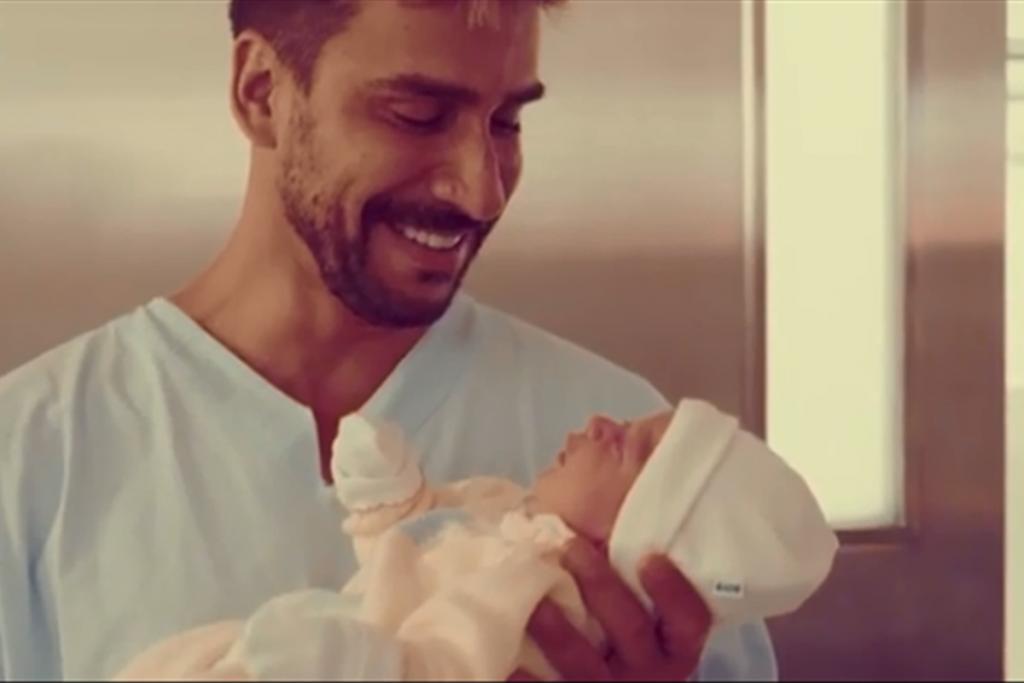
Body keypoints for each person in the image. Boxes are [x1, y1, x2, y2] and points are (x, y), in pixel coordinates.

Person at [0, 0, 778, 680]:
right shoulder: (29, 460)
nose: (482, 189)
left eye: (506, 122)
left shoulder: (642, 463)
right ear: (261, 91)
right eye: (417, 115)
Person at [113, 402, 836, 681]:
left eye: (627, 446)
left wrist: (365, 667)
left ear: (642, 534)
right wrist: (390, 497)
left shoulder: (544, 593)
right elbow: (420, 538)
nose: (597, 421)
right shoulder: (504, 510)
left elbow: (454, 662)